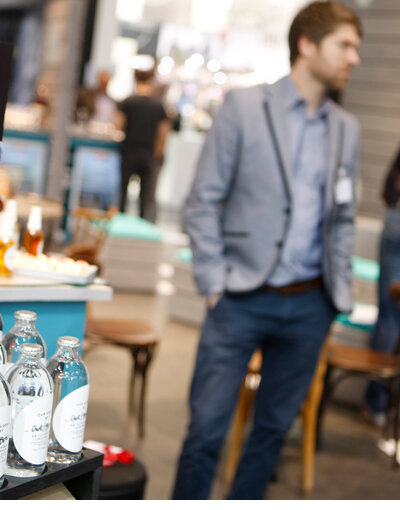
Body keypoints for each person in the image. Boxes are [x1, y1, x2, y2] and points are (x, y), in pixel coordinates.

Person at [172, 1, 362, 500]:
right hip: (239, 296)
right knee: (205, 434)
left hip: (310, 305)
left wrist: (336, 296)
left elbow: (342, 218)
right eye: (345, 45)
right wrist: (213, 283)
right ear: (307, 44)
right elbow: (203, 201)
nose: (354, 58)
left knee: (272, 435)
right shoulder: (244, 107)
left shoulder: (346, 129)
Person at [364, 149, 400, 427]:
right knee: (390, 319)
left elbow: (390, 185)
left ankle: (377, 405)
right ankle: (381, 404)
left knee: (388, 317)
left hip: (396, 219)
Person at [115, 67, 171, 223]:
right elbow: (163, 132)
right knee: (146, 197)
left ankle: (120, 224)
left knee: (123, 193)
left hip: (129, 152)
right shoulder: (158, 105)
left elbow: (118, 125)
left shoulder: (128, 102)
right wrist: (158, 154)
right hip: (149, 154)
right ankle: (143, 226)